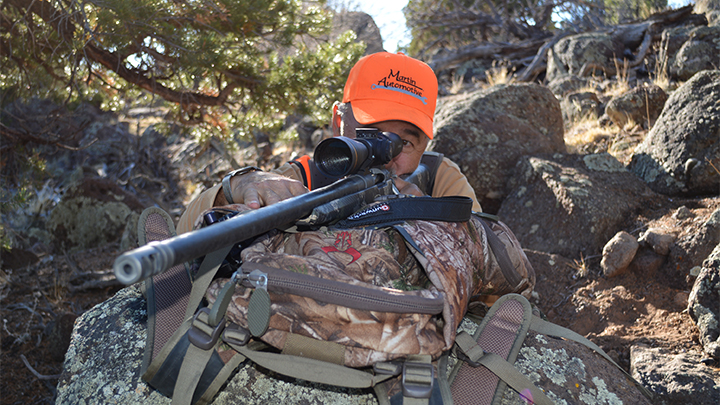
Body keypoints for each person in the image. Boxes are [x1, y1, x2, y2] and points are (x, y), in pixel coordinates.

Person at [177, 52, 481, 234]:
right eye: (370, 134)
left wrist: (431, 216)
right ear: (339, 121)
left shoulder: (441, 179)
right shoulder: (310, 175)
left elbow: (495, 253)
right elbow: (187, 229)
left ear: (426, 144)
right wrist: (240, 185)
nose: (386, 155)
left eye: (404, 142)